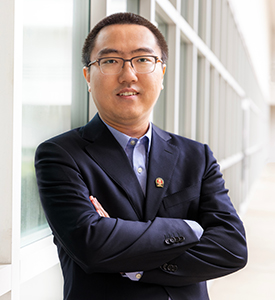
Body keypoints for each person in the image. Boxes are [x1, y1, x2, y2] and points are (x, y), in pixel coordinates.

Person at [35, 12, 247, 300]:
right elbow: (92, 244)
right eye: (110, 61)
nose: (128, 75)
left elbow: (231, 247)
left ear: (161, 73)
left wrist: (134, 265)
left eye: (143, 59)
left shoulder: (197, 156)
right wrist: (190, 228)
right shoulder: (61, 155)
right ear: (88, 75)